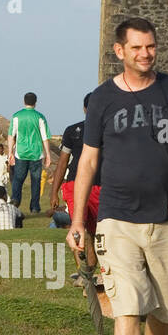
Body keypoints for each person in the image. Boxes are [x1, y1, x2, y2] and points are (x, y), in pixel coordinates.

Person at [66, 17, 168, 335]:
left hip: (166, 219)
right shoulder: (103, 100)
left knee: (162, 310)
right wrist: (78, 220)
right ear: (120, 51)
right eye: (137, 48)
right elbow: (88, 163)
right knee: (126, 308)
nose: (146, 54)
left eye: (151, 47)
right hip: (116, 218)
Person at [50, 92, 102, 234]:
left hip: (100, 187)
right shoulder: (73, 131)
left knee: (95, 231)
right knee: (79, 226)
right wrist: (54, 192)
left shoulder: (110, 131)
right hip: (76, 185)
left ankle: (88, 255)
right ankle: (80, 253)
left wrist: (54, 192)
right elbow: (63, 162)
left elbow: (62, 163)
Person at [8, 92, 51, 213]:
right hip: (36, 153)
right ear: (35, 102)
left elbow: (11, 135)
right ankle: (35, 207)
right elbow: (44, 137)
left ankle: (15, 202)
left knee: (18, 178)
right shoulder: (40, 117)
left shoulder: (16, 116)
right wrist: (48, 154)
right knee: (36, 181)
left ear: (24, 101)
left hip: (21, 153)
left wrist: (10, 152)